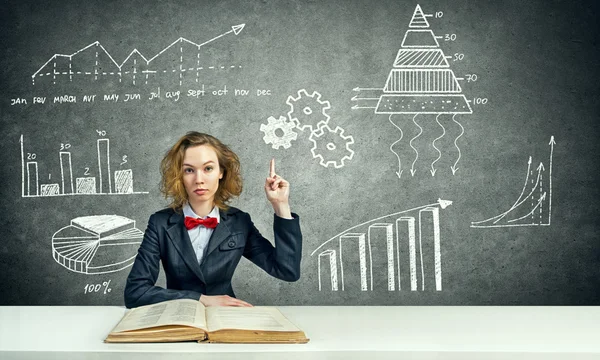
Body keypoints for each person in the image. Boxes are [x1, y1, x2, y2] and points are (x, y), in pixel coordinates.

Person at [124, 131, 302, 308]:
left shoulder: (240, 222)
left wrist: (281, 205)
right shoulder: (160, 223)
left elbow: (287, 271)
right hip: (179, 318)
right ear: (180, 176)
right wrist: (201, 300)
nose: (199, 180)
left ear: (221, 172)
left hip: (226, 320)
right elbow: (135, 292)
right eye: (189, 170)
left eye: (208, 168)